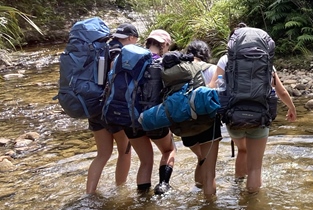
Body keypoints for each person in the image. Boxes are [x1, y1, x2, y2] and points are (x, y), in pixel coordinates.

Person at [210, 25, 296, 194]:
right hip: (260, 118)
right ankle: (253, 208)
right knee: (256, 168)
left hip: (233, 117)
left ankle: (237, 189)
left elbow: (214, 87)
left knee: (243, 150)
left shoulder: (225, 60)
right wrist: (291, 107)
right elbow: (281, 91)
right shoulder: (265, 62)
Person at [85, 23, 136, 195]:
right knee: (124, 150)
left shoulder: (101, 49)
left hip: (94, 105)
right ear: (130, 38)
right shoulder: (120, 53)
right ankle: (120, 191)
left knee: (102, 154)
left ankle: (89, 194)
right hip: (113, 108)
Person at [127, 29, 177, 194]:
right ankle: (163, 186)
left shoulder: (132, 60)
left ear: (147, 43)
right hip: (153, 118)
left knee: (145, 161)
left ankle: (142, 200)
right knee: (169, 150)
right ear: (165, 45)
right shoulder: (163, 64)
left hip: (130, 119)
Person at [181, 39, 222, 196]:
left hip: (183, 124)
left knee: (201, 158)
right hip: (207, 122)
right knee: (210, 172)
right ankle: (209, 209)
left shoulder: (180, 69)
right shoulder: (212, 69)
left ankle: (198, 187)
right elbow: (219, 95)